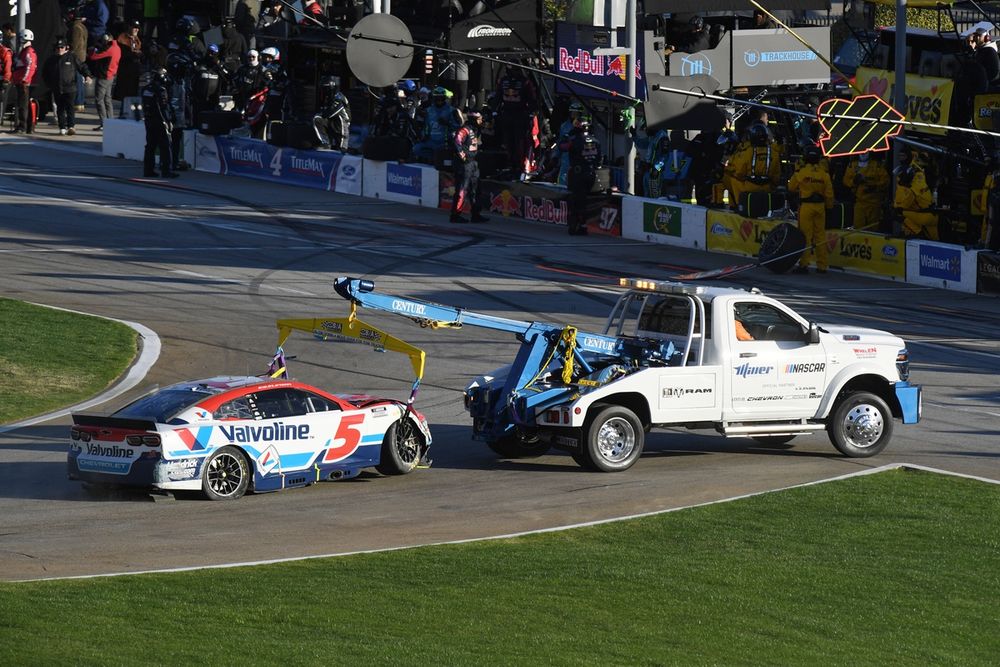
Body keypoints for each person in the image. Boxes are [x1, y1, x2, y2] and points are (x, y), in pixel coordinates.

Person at [788, 143, 834, 274]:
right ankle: (822, 266)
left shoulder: (801, 172)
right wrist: (829, 207)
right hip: (820, 207)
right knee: (820, 236)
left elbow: (791, 187)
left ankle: (804, 265)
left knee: (806, 236)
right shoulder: (824, 174)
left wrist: (797, 171)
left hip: (806, 206)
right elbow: (829, 193)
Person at [561, 113, 602, 235]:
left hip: (578, 174)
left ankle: (577, 224)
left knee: (575, 200)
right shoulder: (596, 141)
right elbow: (599, 159)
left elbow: (562, 147)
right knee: (583, 199)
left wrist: (567, 136)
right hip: (591, 174)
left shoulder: (575, 141)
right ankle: (583, 224)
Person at [727, 122, 780, 213]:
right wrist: (773, 185)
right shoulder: (774, 153)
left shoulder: (748, 152)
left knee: (732, 178)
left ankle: (738, 204)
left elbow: (739, 172)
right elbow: (776, 174)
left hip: (750, 186)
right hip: (767, 186)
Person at [495, 65, 537, 179]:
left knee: (519, 142)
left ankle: (520, 166)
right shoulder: (503, 81)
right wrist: (495, 110)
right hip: (507, 115)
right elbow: (497, 97)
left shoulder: (525, 82)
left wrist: (530, 113)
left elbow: (532, 99)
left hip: (520, 115)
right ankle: (512, 166)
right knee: (509, 142)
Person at [42, 38, 91, 136]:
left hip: (70, 87)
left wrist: (87, 75)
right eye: (57, 48)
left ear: (66, 48)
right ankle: (62, 127)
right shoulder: (51, 60)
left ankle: (71, 126)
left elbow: (82, 66)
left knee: (70, 108)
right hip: (57, 88)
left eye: (62, 47)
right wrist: (50, 85)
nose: (59, 49)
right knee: (60, 108)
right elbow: (45, 74)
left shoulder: (72, 57)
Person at [450, 110, 489, 224]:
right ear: (473, 120)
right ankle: (455, 215)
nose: (481, 121)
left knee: (476, 189)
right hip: (464, 165)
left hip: (473, 163)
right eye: (479, 119)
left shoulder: (476, 130)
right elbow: (456, 142)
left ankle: (476, 214)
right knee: (462, 189)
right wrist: (463, 157)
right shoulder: (464, 129)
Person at [894, 146, 937, 240]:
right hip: (925, 212)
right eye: (900, 156)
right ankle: (914, 233)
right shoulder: (905, 170)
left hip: (924, 213)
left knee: (896, 213)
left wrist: (899, 208)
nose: (901, 158)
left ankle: (919, 234)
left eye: (904, 156)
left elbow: (911, 195)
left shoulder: (916, 173)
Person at [141, 68, 178, 178]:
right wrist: (168, 121)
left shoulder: (146, 89)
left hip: (148, 120)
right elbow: (163, 107)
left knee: (150, 146)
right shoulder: (161, 90)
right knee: (165, 146)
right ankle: (166, 171)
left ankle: (148, 170)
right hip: (160, 121)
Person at [842, 152, 890, 232]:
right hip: (859, 202)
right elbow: (846, 181)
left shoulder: (877, 165)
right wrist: (854, 181)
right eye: (861, 151)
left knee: (873, 229)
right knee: (858, 227)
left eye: (866, 152)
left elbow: (886, 181)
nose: (863, 153)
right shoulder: (853, 165)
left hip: (874, 203)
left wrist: (874, 186)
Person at [87, 33, 120, 131]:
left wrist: (93, 50)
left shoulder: (108, 49)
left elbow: (93, 56)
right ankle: (110, 121)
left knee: (99, 100)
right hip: (111, 76)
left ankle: (104, 122)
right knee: (107, 99)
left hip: (104, 77)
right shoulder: (117, 47)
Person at [313, 75, 351, 151]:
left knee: (341, 149)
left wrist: (324, 113)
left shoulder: (339, 97)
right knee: (317, 118)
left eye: (325, 87)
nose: (324, 89)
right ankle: (326, 143)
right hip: (332, 122)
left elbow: (331, 112)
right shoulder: (329, 97)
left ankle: (343, 146)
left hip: (342, 124)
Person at [10, 29, 36, 134]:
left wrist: (25, 79)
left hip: (24, 82)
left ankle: (22, 126)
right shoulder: (24, 52)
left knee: (23, 105)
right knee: (21, 104)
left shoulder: (29, 52)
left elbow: (30, 67)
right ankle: (22, 125)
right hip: (20, 82)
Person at [114, 20, 143, 118]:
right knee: (124, 94)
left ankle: (131, 113)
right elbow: (121, 53)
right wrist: (134, 54)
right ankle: (123, 113)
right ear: (129, 27)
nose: (136, 29)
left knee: (133, 93)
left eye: (137, 28)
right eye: (134, 27)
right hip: (125, 70)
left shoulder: (136, 39)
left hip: (134, 70)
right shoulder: (123, 37)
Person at [68, 9, 89, 111]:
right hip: (82, 55)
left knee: (78, 80)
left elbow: (74, 43)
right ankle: (80, 101)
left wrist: (70, 52)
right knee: (80, 79)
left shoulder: (75, 27)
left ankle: (78, 102)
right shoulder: (83, 26)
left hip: (76, 56)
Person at [0, 31, 11, 128]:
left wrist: (6, 79)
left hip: (2, 79)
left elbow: (8, 66)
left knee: (1, 100)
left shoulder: (4, 51)